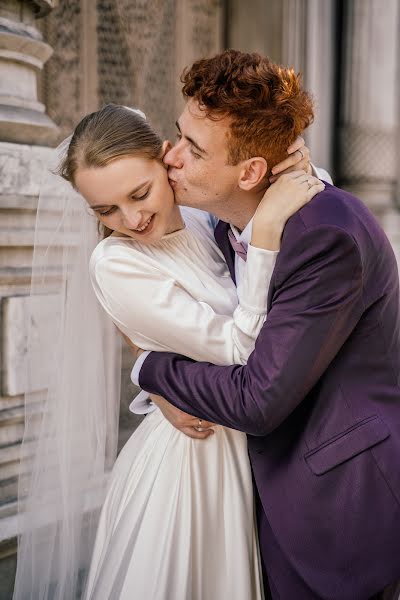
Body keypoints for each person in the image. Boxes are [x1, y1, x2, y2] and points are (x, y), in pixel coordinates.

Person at [13, 100, 323, 600]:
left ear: (168, 160)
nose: (131, 219)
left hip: (258, 447)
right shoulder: (117, 264)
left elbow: (294, 196)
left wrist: (295, 166)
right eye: (106, 210)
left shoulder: (206, 218)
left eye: (140, 193)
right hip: (194, 464)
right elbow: (239, 350)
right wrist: (266, 232)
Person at [128, 50, 400, 600]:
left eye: (194, 150)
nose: (170, 158)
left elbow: (258, 399)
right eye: (178, 135)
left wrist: (150, 368)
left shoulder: (327, 237)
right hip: (253, 498)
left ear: (251, 172)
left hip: (336, 511)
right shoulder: (221, 216)